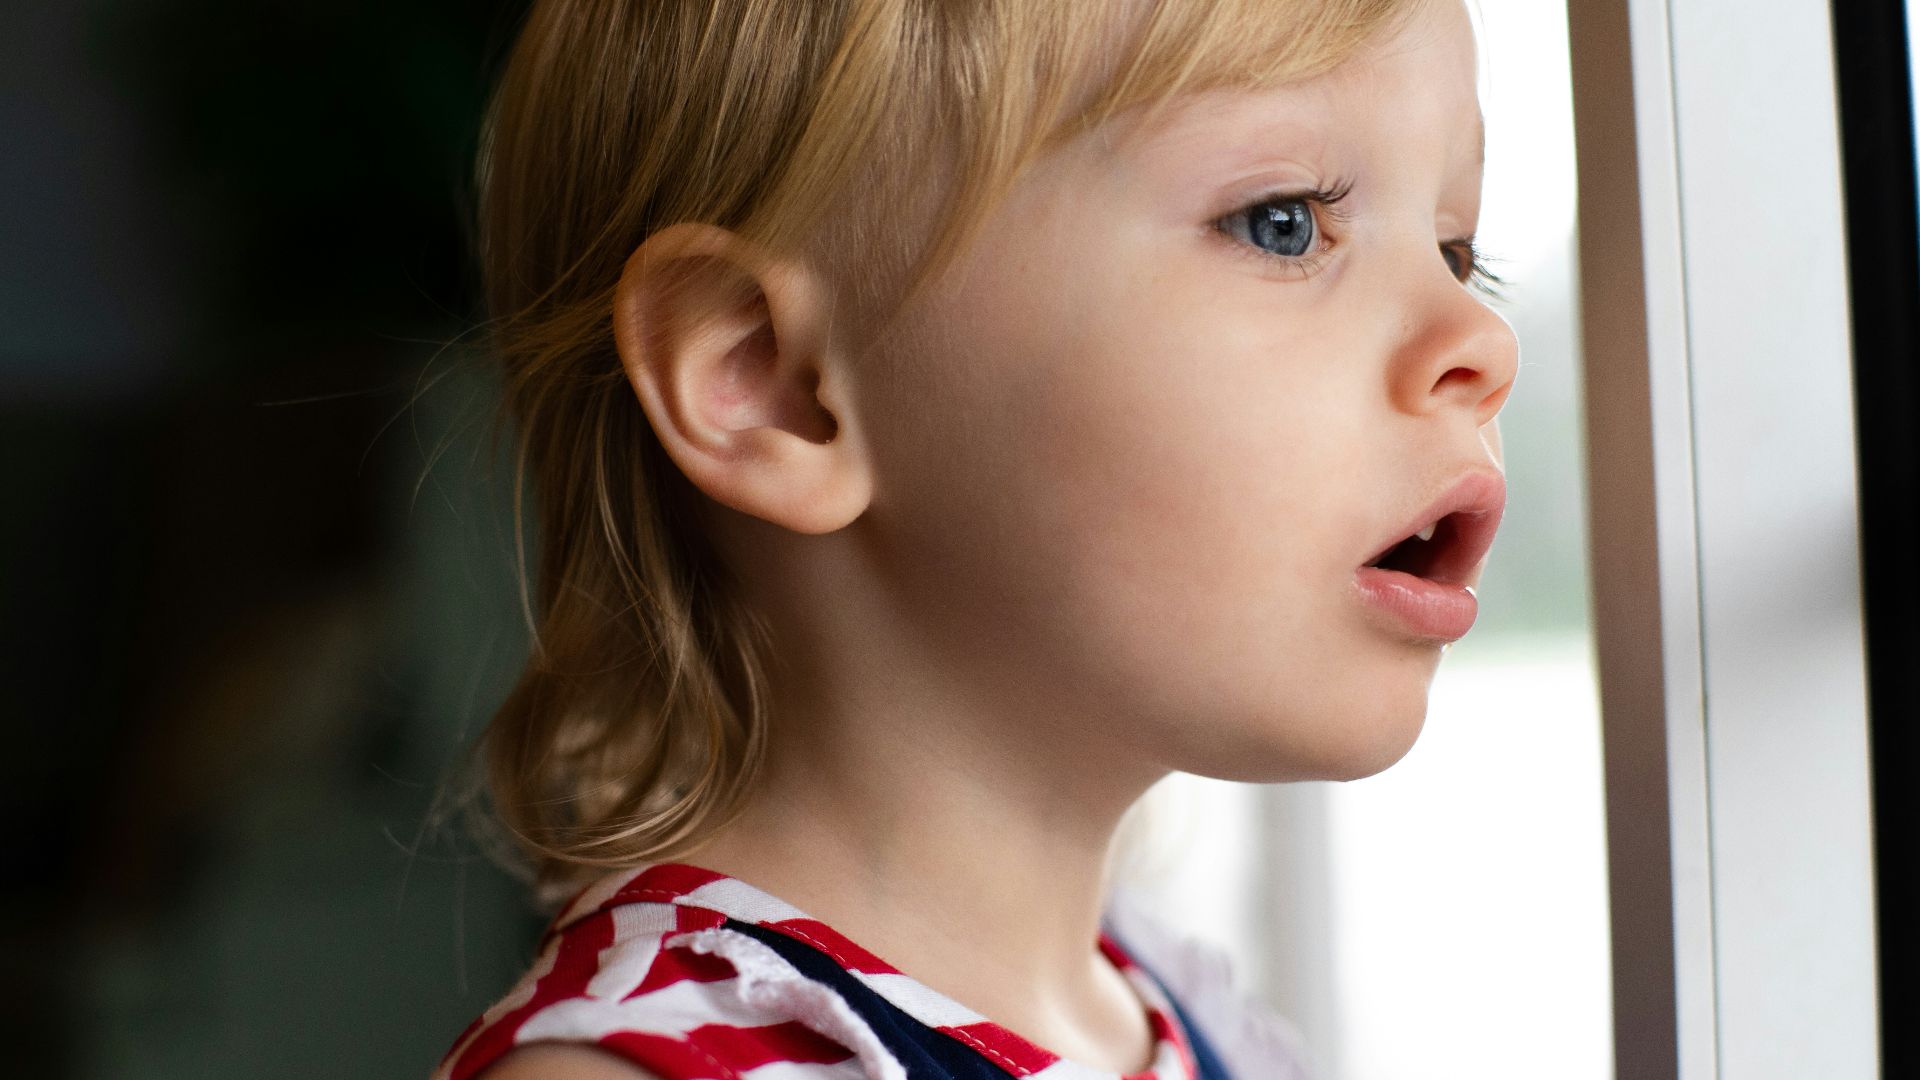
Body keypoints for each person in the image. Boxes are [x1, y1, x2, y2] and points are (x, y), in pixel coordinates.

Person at [434, 0, 1517, 1075]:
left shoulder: (1195, 1023)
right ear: (774, 383)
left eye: (1456, 252)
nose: (1482, 341)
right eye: (1281, 220)